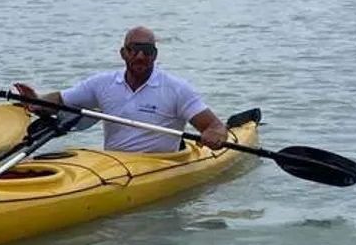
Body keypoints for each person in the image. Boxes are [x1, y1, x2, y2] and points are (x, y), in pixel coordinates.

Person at [12, 25, 229, 153]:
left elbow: (216, 126)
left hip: (161, 165)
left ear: (155, 54)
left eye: (147, 51)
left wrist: (215, 135)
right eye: (134, 50)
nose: (140, 56)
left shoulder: (176, 89)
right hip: (114, 164)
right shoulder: (102, 83)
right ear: (123, 53)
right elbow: (60, 99)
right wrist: (38, 100)